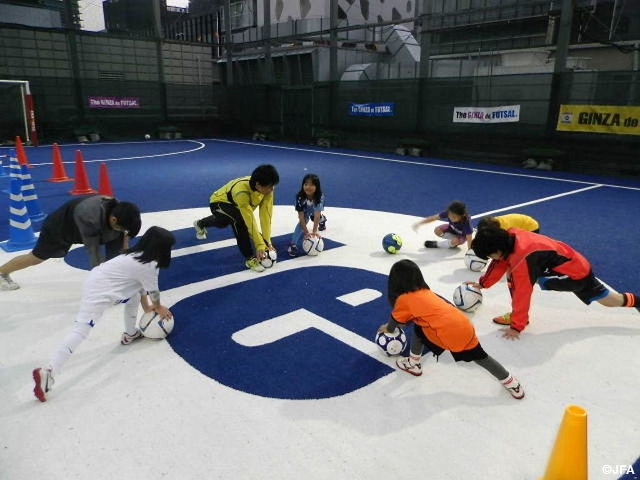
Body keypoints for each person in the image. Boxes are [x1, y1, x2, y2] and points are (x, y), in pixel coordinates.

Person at [32, 226, 175, 402]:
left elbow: (140, 287)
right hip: (100, 291)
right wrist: (158, 307)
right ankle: (49, 371)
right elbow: (153, 292)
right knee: (81, 330)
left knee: (132, 298)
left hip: (99, 279)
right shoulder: (149, 265)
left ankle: (130, 334)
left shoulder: (135, 254)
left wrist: (147, 308)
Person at [379, 259, 524, 399]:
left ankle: (413, 363)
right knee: (482, 358)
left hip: (448, 334)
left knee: (419, 329)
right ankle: (512, 383)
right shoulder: (426, 292)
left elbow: (395, 322)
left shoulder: (404, 299)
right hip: (464, 325)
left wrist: (387, 328)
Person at [469, 226, 640, 339]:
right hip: (575, 264)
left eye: (490, 255)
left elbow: (523, 292)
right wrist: (483, 283)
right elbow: (500, 261)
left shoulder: (523, 259)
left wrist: (517, 326)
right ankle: (637, 300)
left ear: (498, 250)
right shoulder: (510, 236)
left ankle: (518, 317)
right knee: (610, 301)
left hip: (572, 276)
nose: (491, 259)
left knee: (516, 278)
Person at [0, 195, 141, 291]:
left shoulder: (122, 211)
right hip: (60, 227)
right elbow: (93, 252)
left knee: (116, 244)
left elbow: (124, 235)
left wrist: (124, 254)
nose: (121, 231)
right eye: (120, 228)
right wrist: (101, 284)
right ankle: (1, 272)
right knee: (36, 258)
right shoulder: (89, 216)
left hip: (95, 225)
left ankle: (116, 279)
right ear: (114, 220)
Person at [193, 164, 279, 272]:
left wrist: (267, 242)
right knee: (239, 221)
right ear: (258, 185)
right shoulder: (241, 192)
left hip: (235, 207)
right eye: (270, 186)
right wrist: (260, 244)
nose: (272, 189)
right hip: (219, 203)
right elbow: (249, 219)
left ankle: (200, 223)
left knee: (223, 222)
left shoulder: (268, 191)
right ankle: (249, 258)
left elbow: (266, 215)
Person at [287, 173, 326, 257]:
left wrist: (314, 231)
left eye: (312, 185)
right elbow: (301, 217)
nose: (308, 187)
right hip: (305, 210)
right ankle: (293, 245)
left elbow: (316, 214)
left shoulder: (319, 197)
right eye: (306, 184)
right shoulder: (300, 198)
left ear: (317, 186)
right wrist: (307, 233)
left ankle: (322, 220)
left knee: (316, 217)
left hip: (314, 211)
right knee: (304, 219)